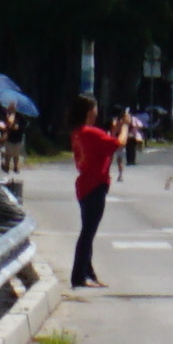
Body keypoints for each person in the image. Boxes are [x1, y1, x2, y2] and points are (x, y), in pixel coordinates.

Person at [64, 100, 119, 286]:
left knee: (88, 231)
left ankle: (88, 273)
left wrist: (115, 129)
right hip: (95, 185)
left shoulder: (80, 132)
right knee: (88, 233)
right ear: (89, 111)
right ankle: (79, 276)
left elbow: (104, 146)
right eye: (95, 108)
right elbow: (117, 144)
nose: (97, 111)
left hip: (86, 185)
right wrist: (126, 127)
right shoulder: (90, 132)